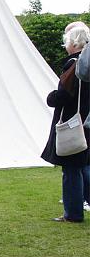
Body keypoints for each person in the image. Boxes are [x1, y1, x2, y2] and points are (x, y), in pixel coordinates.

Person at [41, 22, 90, 222]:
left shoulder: (74, 64)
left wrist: (51, 97)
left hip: (74, 122)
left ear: (74, 43)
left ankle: (73, 213)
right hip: (86, 121)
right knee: (83, 166)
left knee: (71, 169)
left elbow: (64, 95)